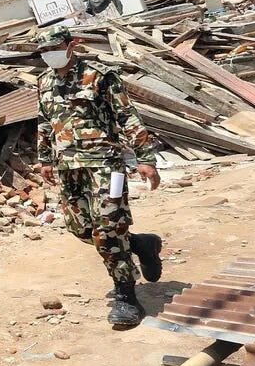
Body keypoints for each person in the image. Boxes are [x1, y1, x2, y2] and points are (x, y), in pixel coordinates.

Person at [35, 27, 163, 329]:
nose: (48, 54)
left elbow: (127, 116)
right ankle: (141, 244)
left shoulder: (100, 75)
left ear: (72, 44)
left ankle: (126, 296)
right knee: (81, 229)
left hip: (108, 166)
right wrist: (44, 159)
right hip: (69, 167)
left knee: (108, 229)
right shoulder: (45, 81)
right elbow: (44, 120)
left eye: (53, 47)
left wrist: (145, 158)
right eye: (42, 51)